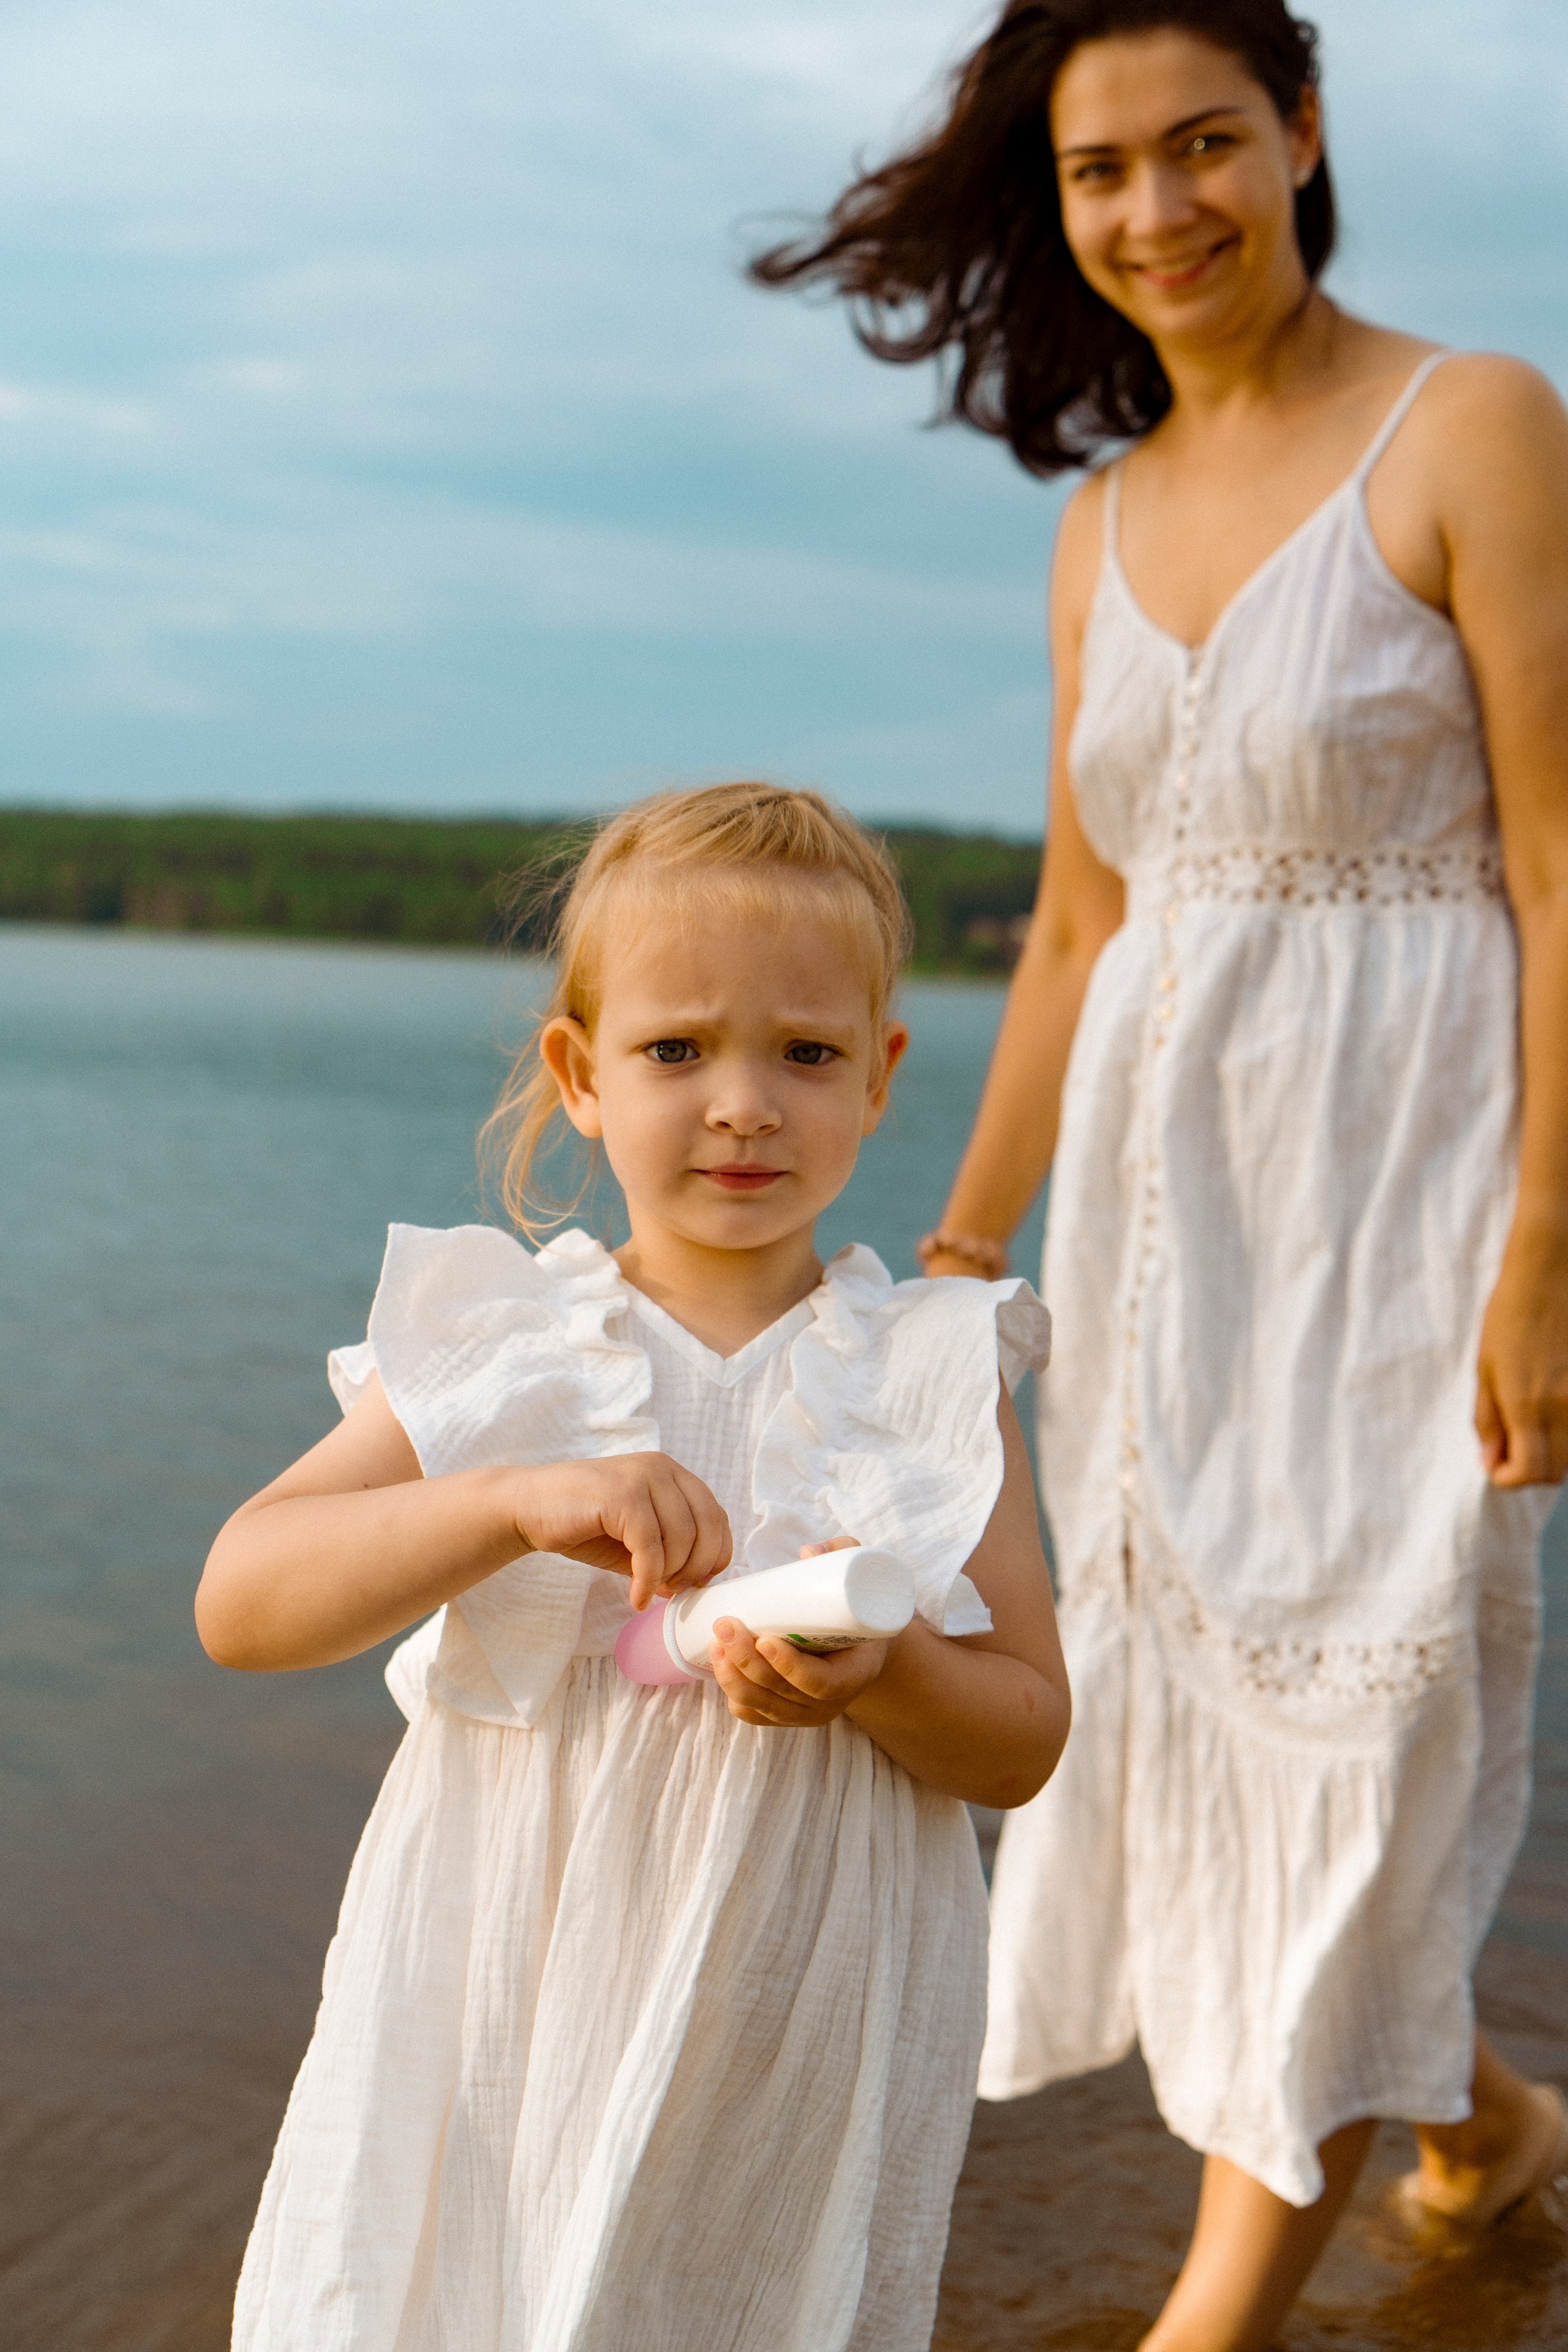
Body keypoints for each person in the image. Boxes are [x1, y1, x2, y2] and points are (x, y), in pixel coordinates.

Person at [751, 3, 1568, 2347]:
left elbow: (1556, 861)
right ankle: (1485, 2129)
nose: (1160, 208)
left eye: (1206, 144)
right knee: (1200, 1729)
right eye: (1104, 172)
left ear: (1303, 136)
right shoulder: (1098, 523)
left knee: (1360, 1720)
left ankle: (1204, 2328)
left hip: (1407, 1214)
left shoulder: (1473, 424)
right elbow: (1088, 925)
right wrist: (965, 1267)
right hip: (1152, 1231)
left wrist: (1548, 1253)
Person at [196, 781, 1068, 2352]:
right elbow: (242, 1602)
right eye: (676, 1051)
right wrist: (507, 1503)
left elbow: (1023, 1737)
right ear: (579, 1075)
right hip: (502, 1987)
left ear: (879, 1078)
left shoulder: (934, 1371)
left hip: (797, 2022)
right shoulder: (506, 1346)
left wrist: (892, 1674)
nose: (742, 1104)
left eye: (804, 1054)